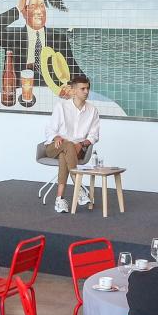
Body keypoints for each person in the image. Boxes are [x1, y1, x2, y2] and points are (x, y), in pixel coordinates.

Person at [0, 0, 85, 107]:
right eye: (33, 7)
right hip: (20, 100)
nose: (39, 11)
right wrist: (16, 10)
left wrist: (73, 87)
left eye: (42, 6)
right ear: (24, 12)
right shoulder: (14, 38)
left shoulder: (59, 38)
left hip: (52, 98)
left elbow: (75, 70)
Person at [42, 74, 99, 214]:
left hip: (75, 149)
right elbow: (50, 129)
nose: (86, 92)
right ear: (73, 91)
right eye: (83, 89)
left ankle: (59, 199)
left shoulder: (92, 110)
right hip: (54, 147)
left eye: (87, 88)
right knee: (66, 146)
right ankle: (78, 188)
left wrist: (82, 144)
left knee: (65, 153)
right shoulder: (61, 106)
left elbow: (94, 136)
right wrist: (56, 137)